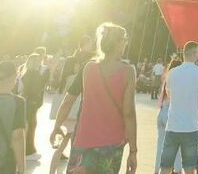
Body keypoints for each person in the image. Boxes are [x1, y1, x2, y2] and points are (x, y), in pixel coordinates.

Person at [51, 22, 138, 174]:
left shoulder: (89, 68)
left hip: (83, 140)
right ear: (118, 44)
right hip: (111, 142)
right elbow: (129, 113)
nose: (125, 44)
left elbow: (69, 100)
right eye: (124, 40)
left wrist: (57, 126)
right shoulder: (128, 72)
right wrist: (133, 150)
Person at [160, 41, 198, 174]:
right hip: (190, 126)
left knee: (166, 166)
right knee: (189, 167)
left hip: (173, 125)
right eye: (197, 52)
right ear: (193, 53)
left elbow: (169, 95)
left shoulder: (172, 72)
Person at [20, 52, 47, 162]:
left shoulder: (25, 74)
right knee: (31, 126)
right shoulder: (36, 74)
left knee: (28, 126)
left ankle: (29, 150)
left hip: (26, 101)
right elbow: (37, 89)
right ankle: (29, 151)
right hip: (32, 103)